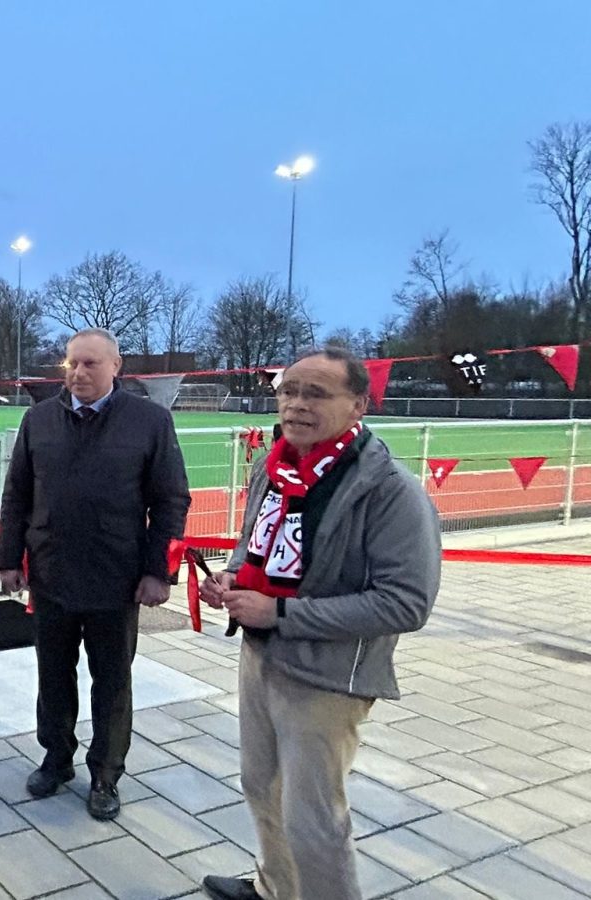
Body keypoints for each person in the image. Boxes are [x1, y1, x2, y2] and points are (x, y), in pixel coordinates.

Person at [200, 348, 440, 900]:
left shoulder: (390, 490)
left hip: (326, 677)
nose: (296, 404)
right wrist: (232, 578)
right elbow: (254, 545)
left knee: (312, 819)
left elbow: (407, 603)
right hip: (261, 657)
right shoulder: (273, 467)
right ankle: (276, 889)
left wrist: (281, 613)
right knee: (261, 786)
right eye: (289, 391)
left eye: (316, 393)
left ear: (358, 405)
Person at [0, 328, 189, 821]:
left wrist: (158, 572)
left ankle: (106, 773)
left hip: (116, 579)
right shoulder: (39, 420)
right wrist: (8, 559)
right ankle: (56, 758)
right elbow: (17, 495)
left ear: (116, 367)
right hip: (51, 574)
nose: (78, 373)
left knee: (112, 682)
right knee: (52, 676)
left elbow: (171, 501)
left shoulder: (149, 421)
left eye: (90, 364)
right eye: (72, 364)